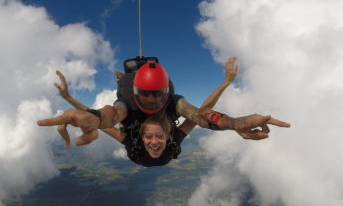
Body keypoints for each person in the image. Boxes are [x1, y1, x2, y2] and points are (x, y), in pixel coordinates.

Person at [38, 58, 290, 152]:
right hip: (130, 94)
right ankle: (124, 78)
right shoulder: (131, 107)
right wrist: (236, 122)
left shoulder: (168, 106)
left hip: (133, 103)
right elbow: (109, 115)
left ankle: (124, 77)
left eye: (156, 95)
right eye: (145, 95)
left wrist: (81, 109)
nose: (150, 101)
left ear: (165, 92)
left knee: (125, 96)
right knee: (124, 93)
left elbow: (200, 116)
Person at [50, 58, 238, 166]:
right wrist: (226, 83)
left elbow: (97, 121)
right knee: (134, 103)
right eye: (155, 137)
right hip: (141, 105)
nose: (154, 142)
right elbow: (202, 114)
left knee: (126, 98)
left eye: (151, 138)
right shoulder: (173, 142)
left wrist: (70, 99)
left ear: (142, 137)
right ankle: (130, 79)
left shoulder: (133, 142)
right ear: (168, 136)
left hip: (132, 109)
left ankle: (124, 79)